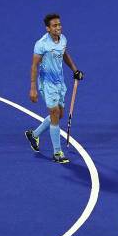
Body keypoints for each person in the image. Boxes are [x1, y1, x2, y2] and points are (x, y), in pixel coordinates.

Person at [25, 13, 84, 163]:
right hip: (47, 84)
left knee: (59, 115)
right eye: (54, 26)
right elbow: (34, 66)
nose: (58, 27)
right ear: (47, 28)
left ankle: (34, 134)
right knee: (54, 113)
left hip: (59, 82)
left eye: (59, 25)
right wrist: (33, 88)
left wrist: (75, 70)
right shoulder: (41, 44)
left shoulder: (63, 39)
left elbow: (64, 54)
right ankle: (57, 152)